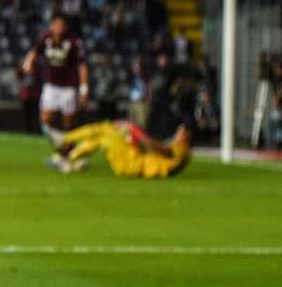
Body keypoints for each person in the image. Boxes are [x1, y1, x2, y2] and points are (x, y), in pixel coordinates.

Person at [22, 13, 88, 167]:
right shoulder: (46, 39)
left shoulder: (73, 42)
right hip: (51, 86)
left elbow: (82, 65)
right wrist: (28, 63)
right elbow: (34, 52)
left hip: (68, 88)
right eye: (55, 24)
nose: (57, 27)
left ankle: (70, 155)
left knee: (68, 125)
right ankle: (62, 153)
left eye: (60, 24)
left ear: (65, 26)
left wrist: (84, 89)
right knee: (45, 121)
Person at [51, 121, 192, 179]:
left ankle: (65, 139)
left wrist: (135, 131)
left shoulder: (181, 150)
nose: (177, 134)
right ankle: (68, 158)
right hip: (133, 163)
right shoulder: (178, 151)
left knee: (107, 130)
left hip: (133, 165)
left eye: (180, 132)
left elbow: (159, 149)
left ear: (186, 136)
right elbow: (157, 153)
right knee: (104, 136)